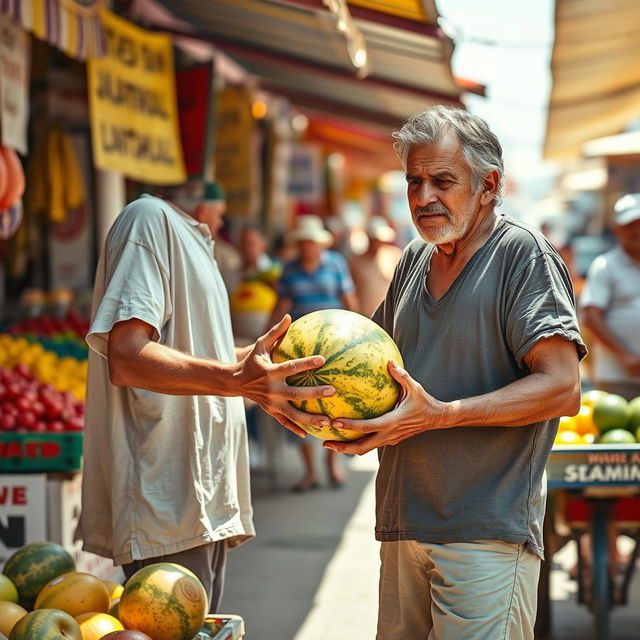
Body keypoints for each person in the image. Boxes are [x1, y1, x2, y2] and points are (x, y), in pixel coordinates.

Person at [323, 106, 586, 639]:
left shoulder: (521, 256)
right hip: (404, 522)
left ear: (488, 185)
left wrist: (441, 416)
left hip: (484, 533)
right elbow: (370, 369)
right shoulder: (413, 261)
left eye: (443, 181)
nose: (423, 198)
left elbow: (562, 387)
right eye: (414, 182)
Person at [76, 185, 336, 611]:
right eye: (221, 211)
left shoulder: (194, 241)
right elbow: (126, 357)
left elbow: (202, 357)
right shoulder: (149, 220)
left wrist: (275, 368)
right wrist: (237, 379)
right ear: (203, 202)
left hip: (201, 500)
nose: (223, 223)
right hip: (165, 498)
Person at [269, 215, 358, 492]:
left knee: (336, 402)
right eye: (304, 242)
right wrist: (268, 339)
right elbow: (281, 305)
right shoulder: (289, 269)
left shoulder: (335, 264)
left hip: (334, 346)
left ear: (319, 243)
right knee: (297, 406)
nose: (308, 246)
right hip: (299, 349)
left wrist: (357, 333)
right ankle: (310, 472)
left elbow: (348, 299)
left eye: (312, 242)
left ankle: (333, 463)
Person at [581, 193, 640, 400]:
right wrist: (626, 356)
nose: (636, 231)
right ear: (617, 230)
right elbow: (591, 318)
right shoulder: (605, 266)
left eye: (639, 224)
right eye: (629, 225)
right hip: (617, 379)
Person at [348, 216, 402, 318]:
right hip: (365, 317)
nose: (378, 243)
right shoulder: (355, 261)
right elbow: (350, 292)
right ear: (369, 238)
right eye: (375, 239)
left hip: (390, 315)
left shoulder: (394, 255)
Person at [202, 181, 242, 293]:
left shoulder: (227, 254)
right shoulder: (183, 247)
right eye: (218, 214)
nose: (220, 223)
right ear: (202, 211)